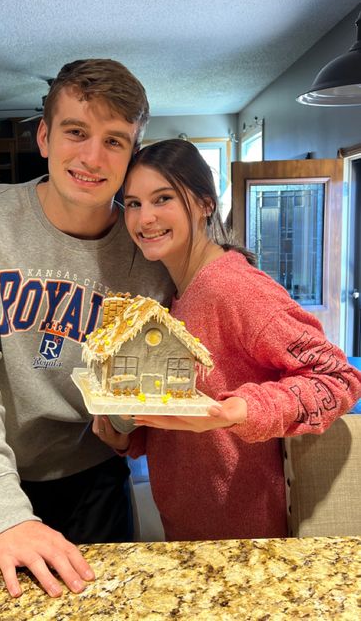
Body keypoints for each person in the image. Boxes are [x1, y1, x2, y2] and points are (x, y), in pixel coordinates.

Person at [0, 59, 173, 599]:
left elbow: (147, 371)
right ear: (43, 135)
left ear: (133, 155)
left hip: (98, 475)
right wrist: (4, 511)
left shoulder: (151, 251)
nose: (91, 157)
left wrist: (128, 422)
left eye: (114, 141)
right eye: (76, 132)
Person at [93, 138, 361, 542]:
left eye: (162, 198)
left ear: (205, 204)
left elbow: (339, 378)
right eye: (132, 203)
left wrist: (244, 409)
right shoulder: (171, 294)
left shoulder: (234, 288)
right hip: (185, 527)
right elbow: (187, 412)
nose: (144, 218)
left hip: (244, 537)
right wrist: (130, 438)